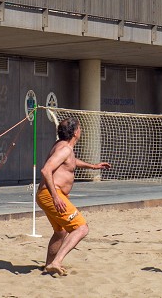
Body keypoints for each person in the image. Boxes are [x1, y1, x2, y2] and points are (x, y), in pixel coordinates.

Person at [37, 115, 110, 276]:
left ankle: (49, 265)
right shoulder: (64, 149)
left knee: (61, 232)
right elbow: (46, 170)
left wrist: (93, 166)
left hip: (48, 195)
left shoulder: (63, 147)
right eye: (80, 127)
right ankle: (57, 262)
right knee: (81, 228)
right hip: (52, 195)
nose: (81, 130)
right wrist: (55, 197)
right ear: (75, 132)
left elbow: (71, 161)